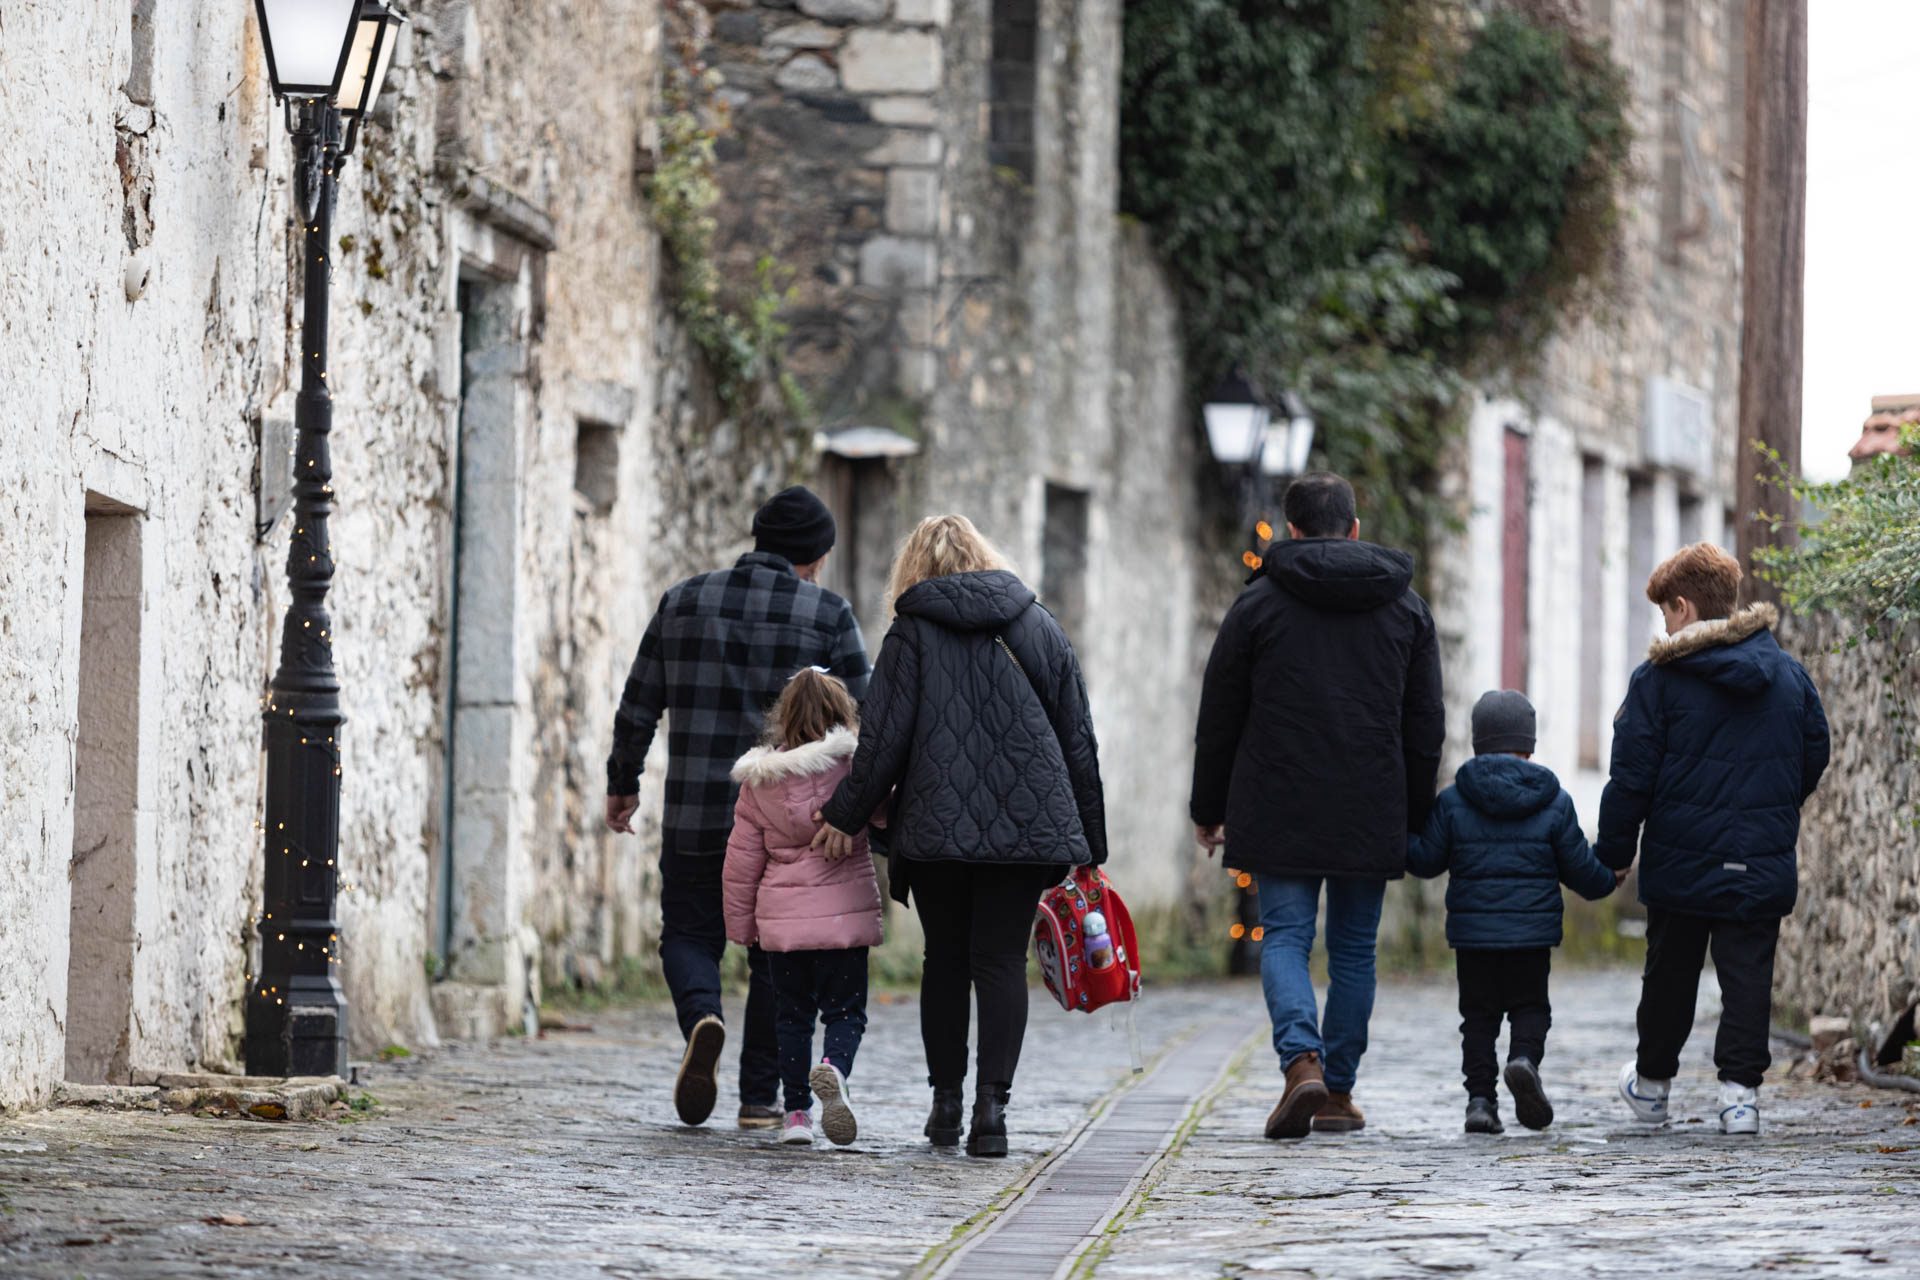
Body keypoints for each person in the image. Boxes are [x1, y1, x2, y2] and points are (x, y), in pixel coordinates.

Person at [811, 514, 1106, 1158]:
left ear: (913, 569)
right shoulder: (1039, 626)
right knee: (1000, 963)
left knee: (945, 961)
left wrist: (844, 813)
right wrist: (1091, 845)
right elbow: (1077, 739)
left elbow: (882, 744)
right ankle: (991, 1113)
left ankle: (945, 1105)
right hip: (1030, 829)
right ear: (983, 555)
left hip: (935, 827)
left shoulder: (910, 634)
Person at [605, 487, 870, 1129]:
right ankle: (759, 1100)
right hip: (790, 828)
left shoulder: (683, 601)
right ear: (814, 556)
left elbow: (639, 704)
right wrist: (860, 811)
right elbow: (871, 723)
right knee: (773, 956)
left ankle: (703, 1016)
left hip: (696, 815)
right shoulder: (829, 614)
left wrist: (623, 782)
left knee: (688, 933)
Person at [1190, 471, 1444, 1140]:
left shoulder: (1258, 604)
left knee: (1286, 937)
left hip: (1278, 797)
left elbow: (1219, 714)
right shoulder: (1407, 608)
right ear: (1355, 528)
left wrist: (1207, 806)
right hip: (1371, 800)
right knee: (1355, 950)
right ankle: (1336, 1092)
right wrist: (1417, 814)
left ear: (1292, 531)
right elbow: (1426, 725)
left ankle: (1301, 1061)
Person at [1601, 543, 1829, 1135]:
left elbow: (1631, 775)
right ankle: (1739, 1100)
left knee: (1669, 975)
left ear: (1683, 606)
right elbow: (1814, 753)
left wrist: (1615, 852)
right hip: (1760, 853)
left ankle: (1651, 1090)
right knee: (1749, 976)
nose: (1664, 628)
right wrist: (1772, 807)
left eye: (1665, 614)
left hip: (1680, 859)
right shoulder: (1788, 675)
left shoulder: (1658, 679)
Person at [1408, 690, 1618, 1135]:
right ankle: (1523, 1059)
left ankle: (1481, 1102)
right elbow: (1580, 869)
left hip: (1473, 937)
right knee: (1530, 1007)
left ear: (1478, 742)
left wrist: (1395, 838)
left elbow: (1426, 860)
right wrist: (1609, 878)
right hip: (1531, 935)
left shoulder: (1453, 801)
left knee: (1478, 1018)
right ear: (1529, 744)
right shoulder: (1554, 801)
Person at [722, 667, 884, 1149]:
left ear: (783, 718)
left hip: (783, 927)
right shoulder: (857, 771)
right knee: (846, 1013)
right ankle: (833, 1068)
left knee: (790, 1018)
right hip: (844, 922)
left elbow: (741, 860)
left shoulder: (760, 783)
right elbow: (885, 814)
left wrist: (741, 925)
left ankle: (796, 1114)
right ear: (843, 714)